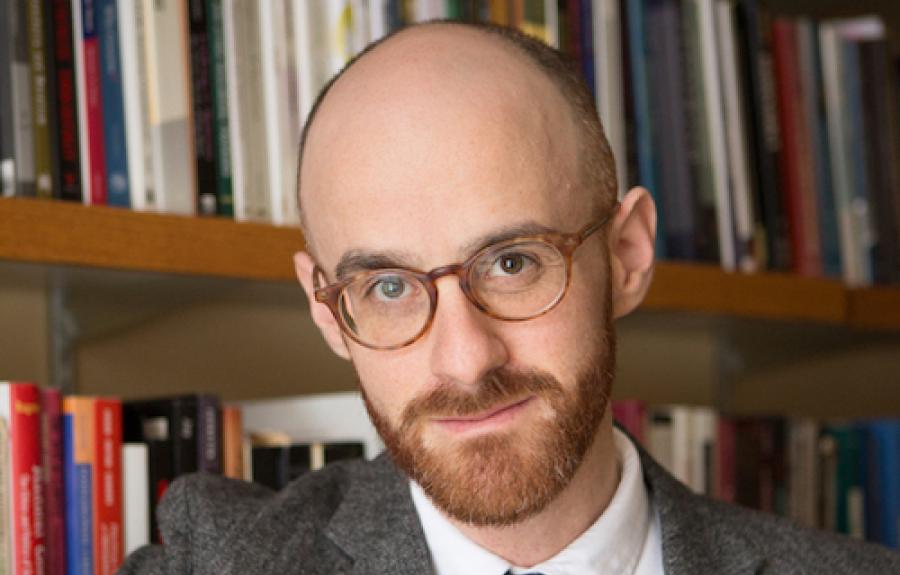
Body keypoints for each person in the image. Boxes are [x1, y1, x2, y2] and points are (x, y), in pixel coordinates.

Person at [119, 20, 900, 575]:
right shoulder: (217, 559)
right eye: (387, 286)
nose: (465, 360)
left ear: (627, 254)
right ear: (328, 310)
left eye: (512, 262)